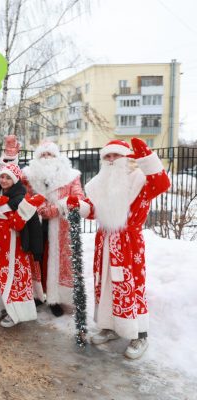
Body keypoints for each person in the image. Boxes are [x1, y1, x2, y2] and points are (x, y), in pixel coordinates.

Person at [68, 138, 170, 359]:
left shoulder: (139, 181)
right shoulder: (97, 184)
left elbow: (162, 184)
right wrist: (79, 206)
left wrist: (147, 158)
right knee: (105, 284)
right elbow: (93, 209)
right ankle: (110, 326)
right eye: (107, 156)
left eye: (116, 155)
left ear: (126, 157)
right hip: (104, 243)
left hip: (128, 244)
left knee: (131, 286)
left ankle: (140, 334)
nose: (111, 160)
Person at [22, 140, 84, 317]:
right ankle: (36, 294)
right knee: (36, 258)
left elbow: (79, 198)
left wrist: (57, 208)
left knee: (54, 261)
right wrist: (36, 207)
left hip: (59, 227)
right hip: (35, 224)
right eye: (43, 154)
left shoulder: (71, 176)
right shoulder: (28, 176)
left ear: (57, 157)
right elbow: (22, 197)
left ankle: (54, 298)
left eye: (50, 154)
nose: (46, 157)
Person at [0, 163, 45, 328]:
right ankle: (5, 305)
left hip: (14, 244)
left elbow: (18, 224)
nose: (4, 180)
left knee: (14, 276)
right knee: (4, 276)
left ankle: (17, 313)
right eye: (2, 177)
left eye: (8, 177)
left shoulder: (20, 197)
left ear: (15, 180)